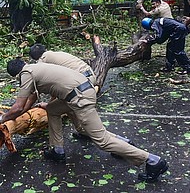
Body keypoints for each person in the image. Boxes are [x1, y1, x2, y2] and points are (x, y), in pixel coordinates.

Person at [0, 58, 168, 182]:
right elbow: (31, 99)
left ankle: (153, 160)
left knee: (102, 141)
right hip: (81, 91)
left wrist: (3, 118)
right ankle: (57, 150)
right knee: (52, 109)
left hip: (80, 99)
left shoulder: (26, 74)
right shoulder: (36, 67)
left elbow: (18, 107)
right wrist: (36, 107)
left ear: (16, 75)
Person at [29, 43, 96, 86]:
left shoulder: (44, 59)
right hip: (91, 75)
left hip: (82, 83)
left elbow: (35, 78)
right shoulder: (55, 54)